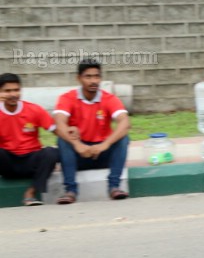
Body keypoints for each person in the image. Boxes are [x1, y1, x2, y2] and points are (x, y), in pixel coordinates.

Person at [53, 59, 132, 203]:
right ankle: (70, 191)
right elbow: (59, 123)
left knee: (124, 138)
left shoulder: (109, 99)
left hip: (102, 152)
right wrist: (77, 145)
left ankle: (114, 187)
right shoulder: (67, 98)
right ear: (79, 78)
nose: (93, 81)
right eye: (88, 77)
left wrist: (105, 144)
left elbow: (125, 122)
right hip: (79, 154)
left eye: (96, 76)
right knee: (63, 140)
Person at [0, 73, 60, 206]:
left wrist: (70, 132)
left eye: (16, 90)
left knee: (51, 152)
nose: (13, 94)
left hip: (31, 160)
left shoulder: (34, 110)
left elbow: (57, 131)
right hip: (7, 163)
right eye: (7, 91)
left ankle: (31, 193)